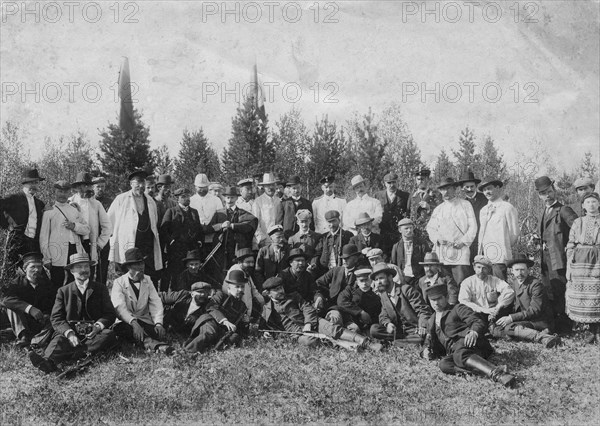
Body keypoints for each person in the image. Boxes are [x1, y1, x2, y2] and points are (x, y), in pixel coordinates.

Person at [28, 253, 117, 374]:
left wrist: (98, 326)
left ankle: (72, 354)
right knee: (58, 340)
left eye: (86, 266)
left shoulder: (100, 288)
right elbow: (56, 317)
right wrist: (69, 333)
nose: (84, 270)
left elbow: (110, 314)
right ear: (71, 271)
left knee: (108, 335)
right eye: (79, 267)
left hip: (93, 334)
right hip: (71, 332)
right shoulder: (63, 291)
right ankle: (47, 362)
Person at [421, 284, 516, 387]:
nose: (436, 303)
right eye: (432, 300)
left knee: (460, 353)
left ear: (447, 297)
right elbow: (428, 342)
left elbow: (477, 321)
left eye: (439, 299)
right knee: (444, 364)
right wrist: (425, 351)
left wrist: (473, 332)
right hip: (456, 352)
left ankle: (499, 375)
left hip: (473, 345)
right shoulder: (431, 321)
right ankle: (480, 371)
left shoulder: (458, 308)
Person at [261, 277, 381, 350]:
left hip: (313, 322)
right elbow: (264, 327)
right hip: (297, 335)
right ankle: (347, 346)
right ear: (267, 293)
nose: (281, 291)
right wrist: (266, 332)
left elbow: (307, 308)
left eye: (281, 288)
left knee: (333, 329)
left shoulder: (294, 296)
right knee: (309, 342)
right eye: (276, 290)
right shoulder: (267, 310)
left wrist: (308, 323)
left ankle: (366, 343)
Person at [535, 176, 578, 332]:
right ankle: (553, 325)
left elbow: (578, 229)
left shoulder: (564, 210)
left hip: (559, 259)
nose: (547, 195)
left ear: (554, 190)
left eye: (549, 191)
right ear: (539, 195)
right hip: (545, 261)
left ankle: (565, 327)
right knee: (549, 291)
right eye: (543, 193)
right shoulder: (544, 211)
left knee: (560, 291)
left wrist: (571, 247)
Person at [111, 248, 173, 354]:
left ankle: (147, 340)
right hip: (126, 322)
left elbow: (156, 302)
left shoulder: (147, 280)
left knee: (156, 331)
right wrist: (133, 323)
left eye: (142, 263)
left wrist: (158, 323)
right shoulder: (119, 283)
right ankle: (157, 347)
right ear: (129, 267)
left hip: (144, 320)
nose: (141, 267)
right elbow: (119, 308)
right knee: (127, 330)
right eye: (137, 264)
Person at [491, 254, 560, 348]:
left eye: (523, 269)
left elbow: (534, 310)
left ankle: (543, 337)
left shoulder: (535, 285)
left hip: (539, 321)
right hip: (525, 320)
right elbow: (513, 304)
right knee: (496, 326)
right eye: (517, 270)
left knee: (509, 328)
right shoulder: (515, 283)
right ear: (512, 271)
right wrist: (499, 310)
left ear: (528, 270)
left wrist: (511, 318)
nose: (520, 273)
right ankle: (517, 334)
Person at [107, 170, 163, 285]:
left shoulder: (150, 201)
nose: (141, 186)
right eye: (137, 182)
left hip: (146, 244)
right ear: (131, 184)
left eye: (143, 182)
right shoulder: (121, 199)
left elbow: (155, 221)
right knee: (125, 274)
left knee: (147, 275)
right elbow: (109, 222)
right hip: (127, 244)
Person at [426, 177, 477, 286]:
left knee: (462, 284)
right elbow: (430, 228)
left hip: (461, 251)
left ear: (455, 189)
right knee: (446, 284)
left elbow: (473, 227)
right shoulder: (438, 209)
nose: (446, 192)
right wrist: (437, 239)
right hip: (443, 252)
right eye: (443, 189)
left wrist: (463, 241)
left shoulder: (465, 205)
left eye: (449, 188)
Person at [40, 181, 90, 289]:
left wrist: (74, 226)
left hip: (74, 251)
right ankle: (57, 305)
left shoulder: (74, 210)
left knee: (74, 282)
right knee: (57, 282)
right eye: (60, 191)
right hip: (56, 253)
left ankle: (72, 305)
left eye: (65, 192)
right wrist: (46, 258)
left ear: (69, 193)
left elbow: (86, 229)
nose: (62, 194)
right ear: (55, 192)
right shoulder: (49, 211)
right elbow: (43, 237)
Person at [184, 270, 249, 353]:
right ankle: (188, 351)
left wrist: (245, 323)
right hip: (210, 321)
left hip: (223, 331)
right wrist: (225, 321)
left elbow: (240, 329)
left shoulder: (242, 306)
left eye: (242, 286)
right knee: (209, 333)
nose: (240, 289)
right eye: (237, 287)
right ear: (229, 287)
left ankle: (211, 347)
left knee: (234, 337)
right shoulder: (220, 295)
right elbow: (211, 307)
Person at [0, 252, 55, 348]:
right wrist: (29, 308)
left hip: (39, 320)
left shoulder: (46, 284)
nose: (37, 270)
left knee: (54, 319)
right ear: (25, 269)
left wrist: (47, 313)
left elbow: (53, 302)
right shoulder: (16, 283)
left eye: (39, 267)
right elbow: (6, 300)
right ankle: (23, 337)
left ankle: (36, 342)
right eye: (32, 267)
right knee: (11, 307)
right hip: (22, 321)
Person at [565, 192, 600, 343]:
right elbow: (571, 244)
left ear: (598, 204)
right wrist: (569, 266)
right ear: (583, 206)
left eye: (594, 201)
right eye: (588, 202)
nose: (591, 204)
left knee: (597, 294)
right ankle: (588, 332)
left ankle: (597, 331)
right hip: (580, 263)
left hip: (598, 259)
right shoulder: (578, 222)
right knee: (582, 295)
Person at [0, 169, 46, 278]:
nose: (34, 185)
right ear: (24, 183)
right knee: (11, 272)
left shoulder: (39, 204)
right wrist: (7, 225)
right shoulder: (14, 199)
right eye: (31, 182)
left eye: (36, 183)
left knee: (35, 274)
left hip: (33, 243)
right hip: (16, 242)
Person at [369, 263, 431, 344]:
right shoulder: (384, 296)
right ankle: (402, 341)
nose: (378, 282)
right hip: (398, 331)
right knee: (374, 329)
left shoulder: (406, 290)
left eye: (381, 278)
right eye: (376, 280)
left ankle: (398, 342)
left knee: (422, 337)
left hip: (414, 329)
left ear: (390, 277)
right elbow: (383, 315)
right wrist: (387, 324)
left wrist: (422, 326)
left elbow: (423, 310)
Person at [70, 172, 112, 283]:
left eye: (89, 185)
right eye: (85, 185)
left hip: (90, 244)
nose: (88, 188)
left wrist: (100, 243)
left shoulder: (96, 204)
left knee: (90, 274)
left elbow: (107, 226)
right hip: (74, 244)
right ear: (78, 187)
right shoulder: (70, 202)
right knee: (75, 275)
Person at [205, 186, 258, 276]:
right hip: (221, 248)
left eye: (232, 197)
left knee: (237, 270)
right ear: (224, 198)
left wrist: (233, 226)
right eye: (228, 198)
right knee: (220, 270)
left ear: (237, 198)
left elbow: (251, 224)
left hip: (237, 248)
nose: (229, 200)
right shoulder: (218, 213)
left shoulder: (242, 213)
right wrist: (221, 225)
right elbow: (209, 228)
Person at [160, 188, 203, 290]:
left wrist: (199, 240)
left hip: (190, 250)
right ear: (177, 199)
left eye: (188, 196)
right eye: (183, 197)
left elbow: (199, 228)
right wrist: (171, 241)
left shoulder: (194, 212)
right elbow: (163, 230)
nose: (186, 198)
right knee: (175, 273)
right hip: (176, 250)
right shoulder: (171, 212)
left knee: (189, 273)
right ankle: (173, 296)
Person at [477, 178, 519, 280]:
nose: (487, 192)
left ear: (497, 188)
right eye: (484, 190)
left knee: (500, 285)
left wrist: (504, 246)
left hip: (500, 256)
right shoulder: (483, 210)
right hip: (485, 256)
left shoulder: (507, 207)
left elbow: (514, 233)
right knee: (487, 286)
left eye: (489, 188)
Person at [458, 255, 515, 326]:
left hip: (493, 314)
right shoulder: (467, 282)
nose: (481, 271)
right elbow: (464, 301)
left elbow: (509, 291)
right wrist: (482, 310)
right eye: (478, 267)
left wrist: (498, 306)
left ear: (489, 270)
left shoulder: (495, 280)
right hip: (475, 314)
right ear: (474, 268)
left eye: (484, 268)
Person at [327, 268, 382, 333]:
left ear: (371, 281)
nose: (364, 283)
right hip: (342, 315)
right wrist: (360, 312)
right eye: (361, 281)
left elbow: (374, 316)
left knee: (355, 330)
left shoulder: (375, 297)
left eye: (366, 280)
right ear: (357, 282)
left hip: (353, 322)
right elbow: (341, 302)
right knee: (335, 319)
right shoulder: (349, 290)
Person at [315, 244, 363, 315]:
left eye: (348, 258)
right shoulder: (335, 271)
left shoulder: (360, 273)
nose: (344, 261)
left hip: (351, 310)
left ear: (355, 259)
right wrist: (320, 296)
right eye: (343, 258)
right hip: (331, 306)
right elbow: (318, 283)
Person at [224, 248, 265, 323]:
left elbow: (253, 289)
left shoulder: (245, 271)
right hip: (237, 310)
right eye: (248, 262)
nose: (251, 265)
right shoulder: (237, 273)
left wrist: (263, 302)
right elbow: (245, 297)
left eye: (252, 262)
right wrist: (247, 316)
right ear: (240, 262)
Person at [374, 172, 410, 255]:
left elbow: (407, 213)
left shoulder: (405, 195)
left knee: (399, 254)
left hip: (398, 233)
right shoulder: (378, 195)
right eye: (389, 183)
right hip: (383, 232)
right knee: (384, 255)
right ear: (384, 184)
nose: (392, 185)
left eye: (394, 182)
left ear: (398, 182)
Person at [457, 170, 487, 263]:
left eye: (472, 186)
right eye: (467, 187)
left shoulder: (485, 199)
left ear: (476, 186)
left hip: (484, 240)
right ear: (462, 188)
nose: (469, 189)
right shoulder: (461, 204)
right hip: (469, 243)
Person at [190, 173, 223, 253]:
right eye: (200, 187)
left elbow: (221, 218)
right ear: (195, 187)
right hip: (196, 238)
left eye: (204, 187)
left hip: (214, 236)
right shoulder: (191, 200)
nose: (202, 190)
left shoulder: (216, 200)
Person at [390, 218, 430, 285]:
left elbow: (428, 262)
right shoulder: (396, 247)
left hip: (419, 278)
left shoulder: (421, 243)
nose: (409, 230)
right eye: (406, 228)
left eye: (411, 228)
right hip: (403, 279)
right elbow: (393, 264)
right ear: (400, 230)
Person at [252, 173, 284, 249]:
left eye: (272, 185)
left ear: (275, 185)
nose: (270, 188)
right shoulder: (258, 201)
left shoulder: (279, 201)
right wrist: (261, 238)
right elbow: (255, 222)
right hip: (265, 240)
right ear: (263, 187)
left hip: (278, 240)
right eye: (267, 186)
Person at [254, 225, 289, 290]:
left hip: (284, 287)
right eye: (278, 237)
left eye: (282, 236)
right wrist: (263, 287)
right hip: (268, 287)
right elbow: (258, 272)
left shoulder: (287, 250)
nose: (281, 239)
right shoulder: (263, 251)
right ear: (271, 238)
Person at [92, 175, 112, 284]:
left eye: (102, 186)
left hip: (104, 238)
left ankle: (101, 290)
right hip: (90, 237)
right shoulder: (88, 201)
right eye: (98, 186)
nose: (100, 189)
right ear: (93, 187)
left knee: (103, 267)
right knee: (90, 267)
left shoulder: (109, 202)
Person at [287, 209, 320, 274]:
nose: (304, 224)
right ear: (297, 222)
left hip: (312, 270)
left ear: (310, 221)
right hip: (297, 270)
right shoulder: (292, 239)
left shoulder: (317, 236)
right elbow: (290, 256)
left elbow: (318, 253)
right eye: (302, 222)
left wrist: (313, 264)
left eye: (306, 221)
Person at [281, 175, 313, 239]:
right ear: (290, 189)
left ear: (301, 188)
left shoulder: (307, 203)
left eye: (298, 188)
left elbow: (311, 222)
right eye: (294, 188)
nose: (296, 190)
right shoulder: (284, 203)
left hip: (304, 236)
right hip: (288, 236)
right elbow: (279, 222)